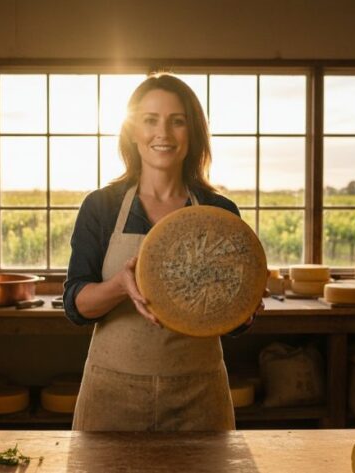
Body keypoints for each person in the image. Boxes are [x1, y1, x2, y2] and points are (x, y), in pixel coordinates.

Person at [63, 73, 255, 432]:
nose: (163, 133)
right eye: (150, 120)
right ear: (132, 131)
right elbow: (76, 306)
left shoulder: (219, 211)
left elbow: (232, 322)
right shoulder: (102, 207)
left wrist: (242, 308)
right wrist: (121, 285)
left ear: (192, 132)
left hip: (198, 397)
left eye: (177, 121)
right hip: (112, 396)